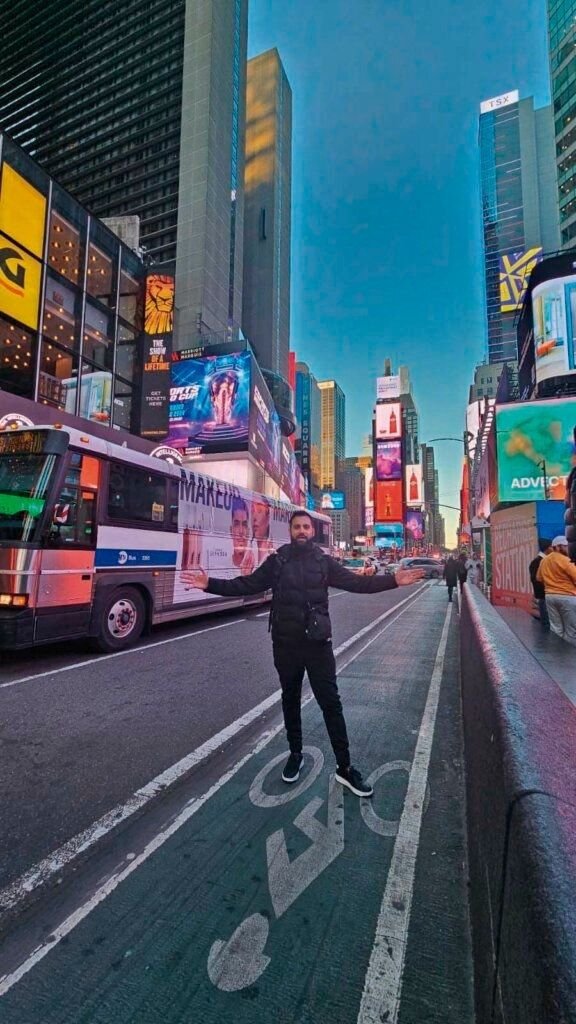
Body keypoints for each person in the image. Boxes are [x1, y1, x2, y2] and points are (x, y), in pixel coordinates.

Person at [185, 509, 424, 797]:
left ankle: (345, 768)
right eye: (296, 526)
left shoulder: (324, 562)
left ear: (312, 532)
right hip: (286, 645)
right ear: (290, 530)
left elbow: (357, 584)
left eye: (305, 527)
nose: (301, 531)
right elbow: (246, 584)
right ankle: (295, 755)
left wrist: (394, 581)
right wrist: (209, 584)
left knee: (331, 703)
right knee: (290, 700)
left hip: (318, 645)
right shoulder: (278, 561)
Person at [536, 535, 576, 644]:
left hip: (550, 596)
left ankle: (556, 656)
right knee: (571, 630)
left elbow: (539, 577)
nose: (569, 548)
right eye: (566, 546)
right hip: (568, 597)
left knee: (555, 628)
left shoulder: (544, 560)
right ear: (558, 547)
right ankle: (569, 657)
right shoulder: (566, 560)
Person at [529, 538, 552, 630]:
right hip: (544, 597)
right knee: (547, 624)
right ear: (547, 548)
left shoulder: (538, 561)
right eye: (551, 547)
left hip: (545, 597)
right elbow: (536, 580)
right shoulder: (538, 562)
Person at [230, 496, 255, 575]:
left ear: (248, 531)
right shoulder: (221, 565)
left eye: (244, 524)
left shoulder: (257, 567)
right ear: (231, 530)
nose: (241, 531)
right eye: (236, 524)